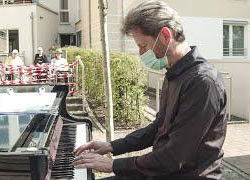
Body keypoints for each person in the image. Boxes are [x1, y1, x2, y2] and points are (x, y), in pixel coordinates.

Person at [73, 1, 227, 179]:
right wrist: (113, 146)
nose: (140, 53)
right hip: (164, 171)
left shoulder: (203, 82)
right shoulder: (174, 73)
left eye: (143, 46)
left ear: (165, 36)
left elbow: (174, 157)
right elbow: (158, 127)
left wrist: (113, 165)